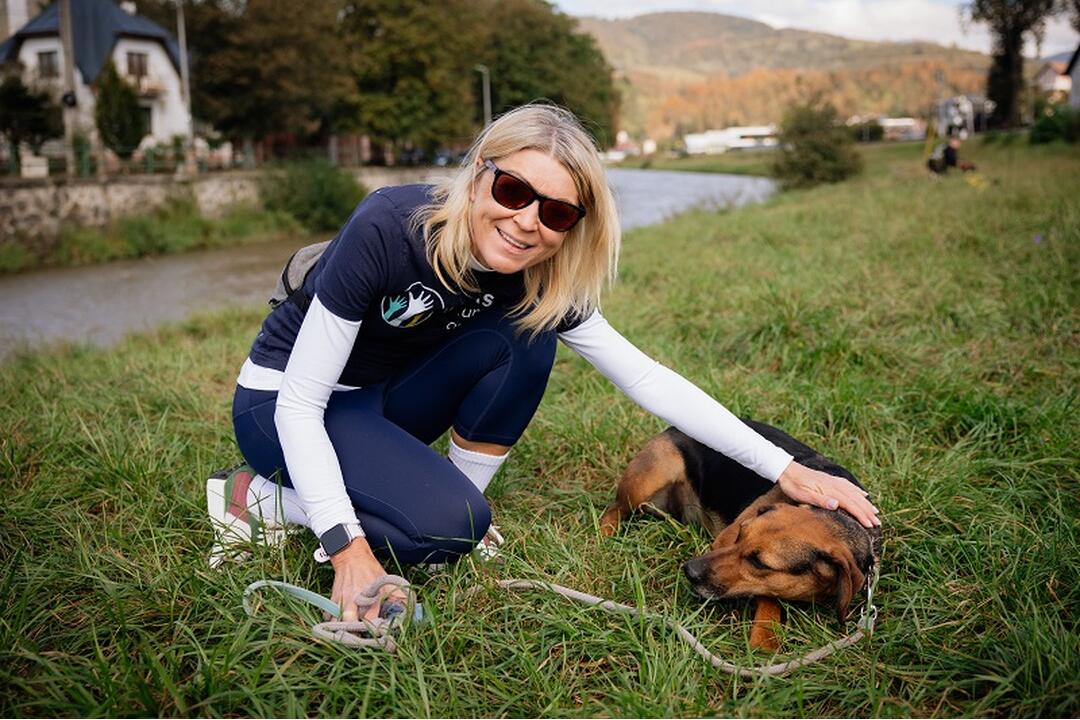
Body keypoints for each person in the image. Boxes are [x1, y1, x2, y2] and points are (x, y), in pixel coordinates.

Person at [212, 104, 880, 624]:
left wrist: (785, 468)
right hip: (283, 404)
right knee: (445, 532)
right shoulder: (390, 225)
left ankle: (452, 507)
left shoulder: (540, 275)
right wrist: (346, 549)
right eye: (512, 190)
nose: (528, 221)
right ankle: (256, 499)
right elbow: (302, 401)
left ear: (572, 225)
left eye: (555, 210)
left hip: (376, 400)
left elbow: (646, 378)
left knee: (529, 337)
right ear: (479, 175)